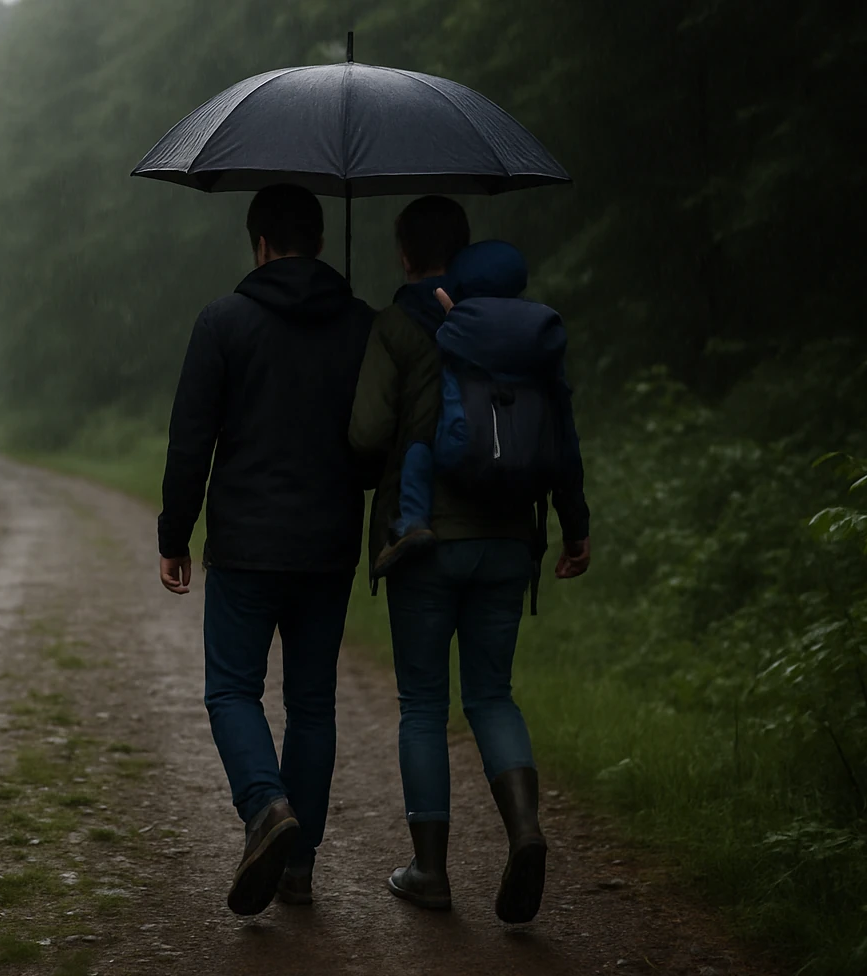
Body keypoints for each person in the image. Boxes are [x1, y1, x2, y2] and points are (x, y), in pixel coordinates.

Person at [349, 196, 591, 923]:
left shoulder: (399, 324)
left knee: (423, 704)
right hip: (510, 537)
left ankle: (430, 871)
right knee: (491, 694)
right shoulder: (521, 330)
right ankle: (524, 831)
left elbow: (365, 434)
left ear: (404, 254)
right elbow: (564, 431)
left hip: (425, 545)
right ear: (460, 252)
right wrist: (575, 524)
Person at [158, 183, 373, 915]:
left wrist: (173, 533)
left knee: (231, 690)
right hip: (329, 544)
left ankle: (265, 806)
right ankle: (298, 867)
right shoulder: (361, 325)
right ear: (317, 242)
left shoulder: (223, 321)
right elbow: (378, 441)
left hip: (247, 545)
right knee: (312, 704)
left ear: (259, 244)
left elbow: (192, 439)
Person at [372, 238, 575, 578]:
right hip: (512, 527)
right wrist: (575, 524)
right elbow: (565, 437)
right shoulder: (538, 334)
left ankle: (412, 519)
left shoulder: (456, 322)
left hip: (454, 471)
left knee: (420, 436)